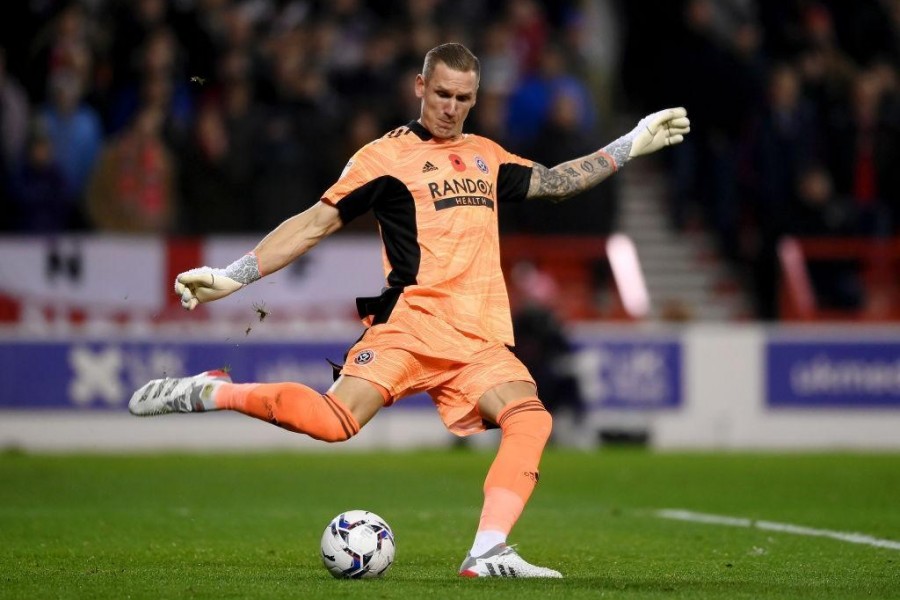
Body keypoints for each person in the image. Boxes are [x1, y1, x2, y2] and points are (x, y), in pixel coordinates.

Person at [129, 43, 689, 578]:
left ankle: (488, 550)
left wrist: (631, 142)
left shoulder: (486, 156)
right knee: (332, 423)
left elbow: (554, 183)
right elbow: (313, 223)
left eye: (463, 98)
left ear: (475, 98)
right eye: (441, 93)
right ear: (421, 86)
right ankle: (214, 390)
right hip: (411, 325)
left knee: (531, 417)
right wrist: (232, 276)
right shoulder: (385, 156)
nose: (450, 108)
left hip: (475, 338)